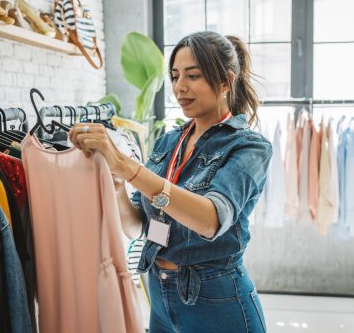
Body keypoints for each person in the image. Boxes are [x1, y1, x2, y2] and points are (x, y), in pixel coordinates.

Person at [69, 31, 272, 333]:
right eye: (175, 76)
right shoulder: (168, 142)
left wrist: (127, 167)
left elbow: (210, 220)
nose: (180, 87)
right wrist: (117, 185)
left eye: (193, 75)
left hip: (218, 303)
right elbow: (138, 226)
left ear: (226, 81)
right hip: (161, 300)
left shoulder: (249, 147)